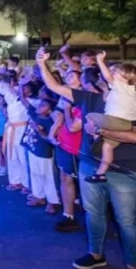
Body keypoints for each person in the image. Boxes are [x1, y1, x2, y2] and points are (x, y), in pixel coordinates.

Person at [36, 48, 136, 269]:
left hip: (125, 170)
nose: (111, 78)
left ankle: (133, 267)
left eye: (115, 74)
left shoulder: (131, 100)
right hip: (89, 165)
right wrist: (41, 64)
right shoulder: (88, 98)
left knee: (126, 221)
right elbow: (54, 87)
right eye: (110, 73)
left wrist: (102, 132)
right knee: (93, 214)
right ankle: (96, 254)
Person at [84, 52, 136, 183]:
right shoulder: (132, 91)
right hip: (126, 124)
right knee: (108, 146)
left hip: (115, 122)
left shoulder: (119, 86)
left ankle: (96, 136)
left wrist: (100, 61)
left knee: (90, 116)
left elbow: (107, 77)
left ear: (125, 78)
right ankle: (101, 173)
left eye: (116, 72)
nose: (112, 75)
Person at [48, 68, 84, 232]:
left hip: (80, 146)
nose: (68, 77)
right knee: (65, 177)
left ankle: (92, 216)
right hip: (63, 142)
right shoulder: (64, 96)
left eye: (73, 75)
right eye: (67, 75)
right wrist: (55, 127)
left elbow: (74, 126)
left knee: (83, 181)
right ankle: (68, 214)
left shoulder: (85, 97)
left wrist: (66, 111)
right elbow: (55, 113)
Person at [0, 72, 30, 194]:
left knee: (23, 158)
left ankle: (27, 184)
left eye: (25, 88)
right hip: (10, 130)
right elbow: (0, 86)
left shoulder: (33, 102)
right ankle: (15, 181)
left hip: (22, 131)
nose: (22, 90)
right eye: (21, 88)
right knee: (12, 157)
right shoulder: (12, 98)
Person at [23, 97, 61, 212]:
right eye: (40, 104)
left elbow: (50, 139)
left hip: (44, 153)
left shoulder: (49, 122)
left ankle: (52, 202)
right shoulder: (35, 115)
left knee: (47, 177)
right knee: (35, 174)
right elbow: (23, 100)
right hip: (32, 149)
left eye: (44, 105)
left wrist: (39, 130)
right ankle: (39, 196)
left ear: (49, 111)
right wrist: (21, 86)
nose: (39, 106)